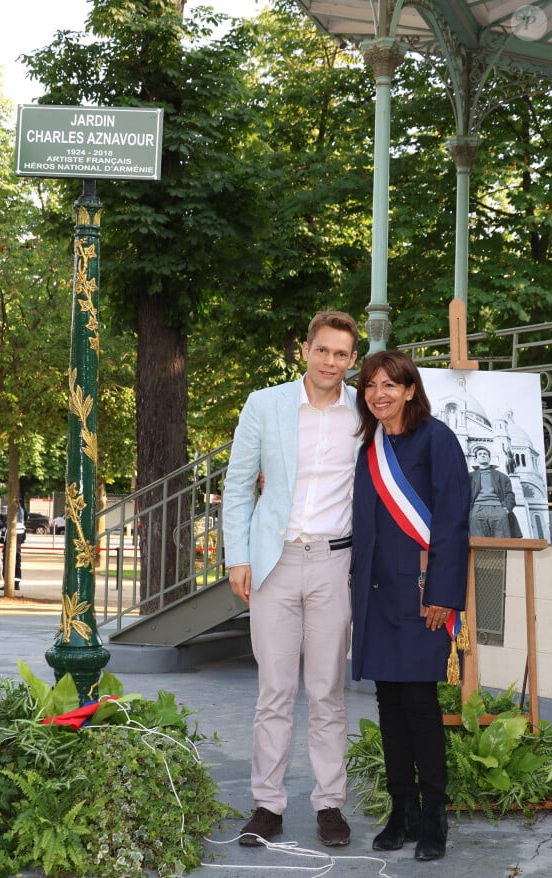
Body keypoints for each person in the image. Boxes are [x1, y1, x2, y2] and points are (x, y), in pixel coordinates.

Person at [223, 310, 359, 847]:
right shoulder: (265, 404)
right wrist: (239, 556)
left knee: (327, 691)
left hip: (335, 562)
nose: (331, 361)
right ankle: (267, 805)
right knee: (275, 691)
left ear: (353, 359)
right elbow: (238, 486)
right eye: (323, 350)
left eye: (342, 354)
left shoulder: (363, 413)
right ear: (305, 350)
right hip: (275, 561)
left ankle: (329, 804)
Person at [350, 351, 470, 861]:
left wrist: (444, 593)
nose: (380, 393)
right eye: (372, 385)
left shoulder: (437, 439)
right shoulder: (368, 447)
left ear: (410, 390)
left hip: (423, 596)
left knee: (420, 706)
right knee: (388, 705)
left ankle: (435, 818)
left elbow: (452, 518)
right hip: (377, 595)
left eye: (390, 385)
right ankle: (403, 812)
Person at [469, 446, 522, 538]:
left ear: (489, 458)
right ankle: (480, 553)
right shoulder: (469, 477)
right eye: (480, 454)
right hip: (477, 509)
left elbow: (510, 494)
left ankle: (498, 553)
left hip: (498, 508)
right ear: (476, 459)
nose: (483, 455)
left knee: (501, 541)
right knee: (478, 542)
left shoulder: (502, 477)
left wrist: (506, 509)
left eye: (485, 454)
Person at [0, 506, 26, 592]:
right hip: (18, 550)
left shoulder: (7, 526)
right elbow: (24, 539)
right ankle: (16, 584)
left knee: (6, 566)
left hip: (8, 550)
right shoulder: (22, 527)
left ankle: (7, 584)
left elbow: (2, 540)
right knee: (17, 566)